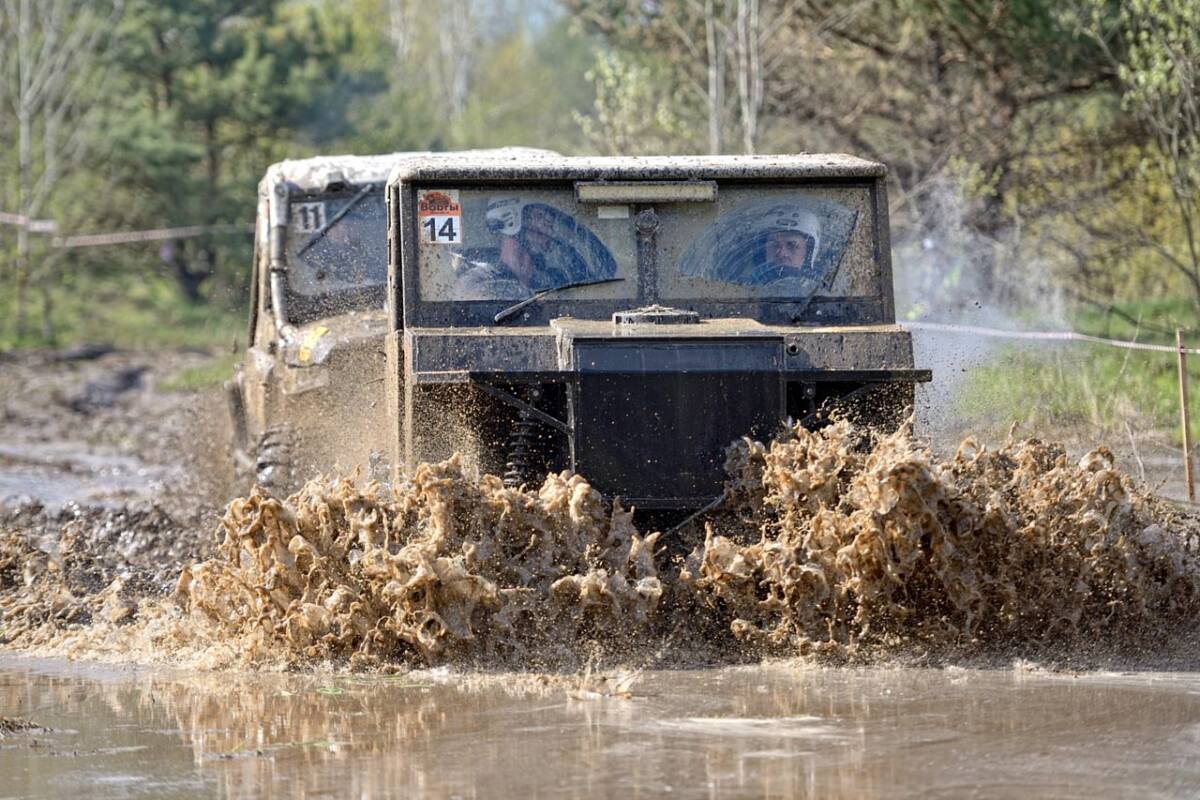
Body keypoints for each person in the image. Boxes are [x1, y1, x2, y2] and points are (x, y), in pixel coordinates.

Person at [455, 198, 588, 300]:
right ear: (512, 220)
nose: (550, 226)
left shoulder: (551, 281)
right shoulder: (475, 282)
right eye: (541, 216)